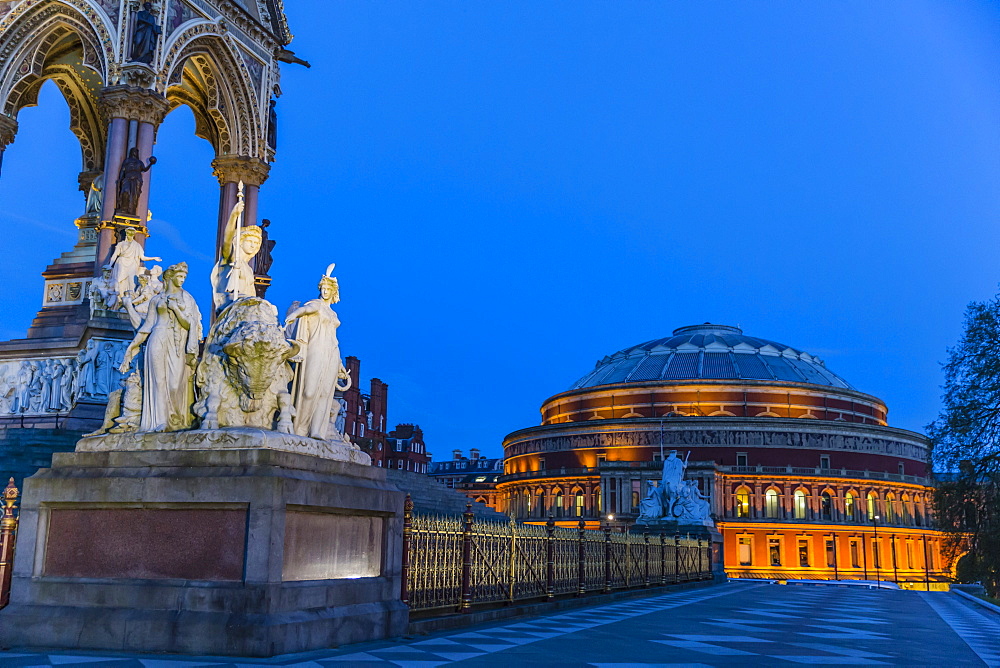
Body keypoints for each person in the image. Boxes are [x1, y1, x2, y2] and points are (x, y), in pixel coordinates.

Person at [119, 262, 202, 432]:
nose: (182, 279)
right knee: (158, 381)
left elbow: (190, 324)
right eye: (179, 276)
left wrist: (176, 310)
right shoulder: (156, 300)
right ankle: (159, 421)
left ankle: (175, 420)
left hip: (177, 343)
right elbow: (146, 327)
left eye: (184, 277)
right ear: (169, 277)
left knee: (174, 384)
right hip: (157, 339)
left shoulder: (187, 298)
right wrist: (131, 348)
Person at [285, 264, 351, 440]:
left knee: (325, 393)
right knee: (309, 391)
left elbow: (334, 340)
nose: (325, 291)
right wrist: (295, 314)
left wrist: (339, 365)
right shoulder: (316, 305)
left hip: (331, 353)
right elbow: (306, 310)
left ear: (334, 291)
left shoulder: (334, 315)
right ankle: (300, 428)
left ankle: (316, 431)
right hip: (315, 350)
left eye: (328, 288)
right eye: (322, 288)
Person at [211, 198, 262, 312]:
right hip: (230, 309)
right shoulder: (229, 260)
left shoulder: (248, 269)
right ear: (240, 241)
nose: (253, 245)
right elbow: (227, 240)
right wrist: (234, 215)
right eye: (250, 241)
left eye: (256, 243)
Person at [110, 228, 161, 306]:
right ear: (126, 234)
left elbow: (142, 257)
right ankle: (119, 299)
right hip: (121, 263)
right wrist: (110, 265)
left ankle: (129, 300)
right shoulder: (121, 244)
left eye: (132, 234)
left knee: (131, 282)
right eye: (129, 234)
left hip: (132, 264)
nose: (130, 236)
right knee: (118, 280)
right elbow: (114, 255)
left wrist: (154, 258)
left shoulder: (137, 245)